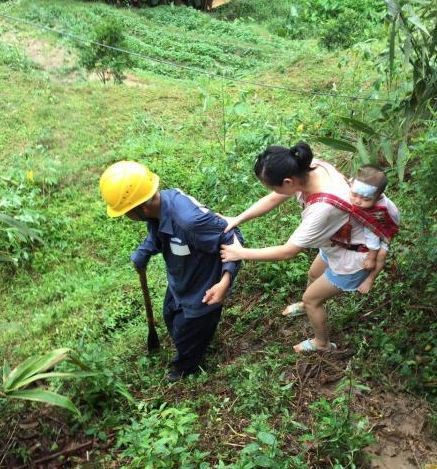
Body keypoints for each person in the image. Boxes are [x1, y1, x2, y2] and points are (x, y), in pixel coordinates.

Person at [220, 142, 380, 353]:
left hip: (355, 257)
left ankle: (322, 343)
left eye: (272, 185)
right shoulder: (308, 167)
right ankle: (307, 308)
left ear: (288, 181)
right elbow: (276, 196)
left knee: (312, 298)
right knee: (314, 273)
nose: (273, 191)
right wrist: (238, 219)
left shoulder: (323, 208)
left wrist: (239, 253)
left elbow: (288, 251)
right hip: (338, 242)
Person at [99, 161, 242, 381]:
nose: (127, 217)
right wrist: (144, 251)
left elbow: (232, 237)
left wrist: (224, 282)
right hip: (180, 280)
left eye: (127, 212)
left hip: (203, 289)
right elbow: (157, 233)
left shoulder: (189, 221)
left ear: (142, 207)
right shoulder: (156, 207)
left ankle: (185, 368)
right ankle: (192, 343)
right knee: (171, 317)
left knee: (188, 338)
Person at [349, 165, 400, 294]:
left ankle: (370, 278)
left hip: (385, 228)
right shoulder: (361, 187)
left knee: (381, 254)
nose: (358, 201)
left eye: (365, 199)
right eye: (354, 194)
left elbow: (373, 238)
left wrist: (371, 258)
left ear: (378, 197)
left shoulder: (376, 213)